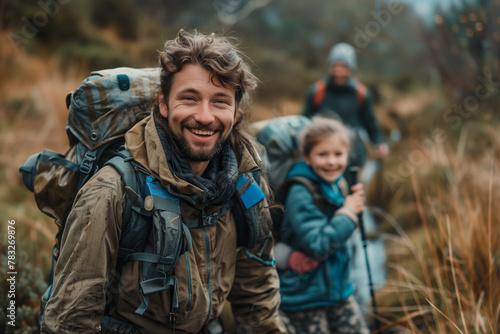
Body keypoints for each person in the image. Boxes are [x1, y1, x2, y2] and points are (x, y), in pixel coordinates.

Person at [40, 30, 287, 334]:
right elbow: (71, 322)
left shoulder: (245, 184)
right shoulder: (112, 192)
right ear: (164, 103)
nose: (205, 116)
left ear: (236, 113)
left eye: (220, 101)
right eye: (189, 98)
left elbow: (257, 292)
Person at [277, 118, 370, 334]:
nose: (331, 162)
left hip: (338, 291)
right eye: (322, 154)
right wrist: (348, 213)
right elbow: (318, 246)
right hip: (305, 297)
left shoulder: (338, 183)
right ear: (307, 157)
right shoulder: (300, 191)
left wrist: (353, 210)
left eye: (338, 154)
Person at [303, 42, 388, 168]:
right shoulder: (317, 91)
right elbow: (305, 122)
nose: (338, 70)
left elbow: (370, 123)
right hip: (324, 154)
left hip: (354, 154)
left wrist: (379, 142)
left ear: (351, 68)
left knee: (354, 187)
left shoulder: (361, 93)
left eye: (343, 66)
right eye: (335, 65)